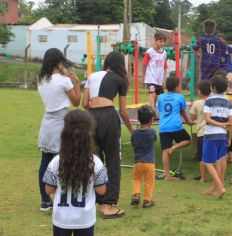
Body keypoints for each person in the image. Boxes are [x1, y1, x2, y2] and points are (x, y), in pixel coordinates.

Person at [82, 51, 134, 218]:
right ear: (120, 65)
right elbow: (124, 112)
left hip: (91, 117)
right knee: (113, 161)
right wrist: (132, 131)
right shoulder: (121, 80)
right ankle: (108, 205)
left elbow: (84, 103)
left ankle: (94, 200)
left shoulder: (92, 75)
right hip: (109, 117)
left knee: (94, 161)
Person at [42, 110, 108, 236]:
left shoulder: (56, 161)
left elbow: (48, 190)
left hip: (61, 219)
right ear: (89, 134)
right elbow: (102, 190)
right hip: (85, 219)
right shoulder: (96, 162)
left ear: (64, 133)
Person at [37, 48, 81, 211]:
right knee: (64, 161)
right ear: (59, 62)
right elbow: (76, 101)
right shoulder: (63, 81)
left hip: (47, 120)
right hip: (62, 121)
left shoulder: (40, 79)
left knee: (45, 161)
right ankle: (64, 197)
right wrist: (76, 83)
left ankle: (45, 200)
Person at [202, 74, 232, 197]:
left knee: (208, 162)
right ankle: (215, 188)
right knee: (220, 162)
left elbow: (207, 119)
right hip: (222, 136)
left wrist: (220, 124)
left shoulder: (209, 101)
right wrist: (229, 138)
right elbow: (230, 123)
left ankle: (220, 188)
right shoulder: (228, 102)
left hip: (210, 135)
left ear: (213, 88)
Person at [157, 76, 193, 180]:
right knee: (188, 140)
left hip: (163, 127)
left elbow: (160, 111)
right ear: (177, 87)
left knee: (165, 151)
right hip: (176, 126)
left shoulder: (161, 97)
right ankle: (174, 147)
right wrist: (188, 121)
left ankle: (167, 176)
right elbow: (183, 112)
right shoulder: (180, 97)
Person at [130, 105, 157, 208]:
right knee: (149, 182)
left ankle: (136, 194)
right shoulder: (152, 132)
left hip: (138, 162)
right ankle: (147, 200)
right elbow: (154, 140)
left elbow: (133, 143)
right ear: (151, 120)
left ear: (138, 119)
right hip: (150, 162)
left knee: (137, 179)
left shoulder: (135, 133)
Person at [189, 80, 211, 182]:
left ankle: (203, 177)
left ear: (200, 92)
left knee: (202, 157)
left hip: (202, 132)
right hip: (212, 131)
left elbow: (192, 118)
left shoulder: (197, 103)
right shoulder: (213, 102)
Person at [143, 32, 168, 109]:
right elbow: (144, 64)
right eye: (160, 41)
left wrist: (164, 79)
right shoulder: (150, 51)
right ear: (155, 40)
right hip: (151, 78)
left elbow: (165, 67)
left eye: (163, 41)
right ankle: (152, 113)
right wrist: (144, 77)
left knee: (158, 96)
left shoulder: (164, 53)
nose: (162, 43)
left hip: (159, 79)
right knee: (152, 94)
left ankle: (153, 110)